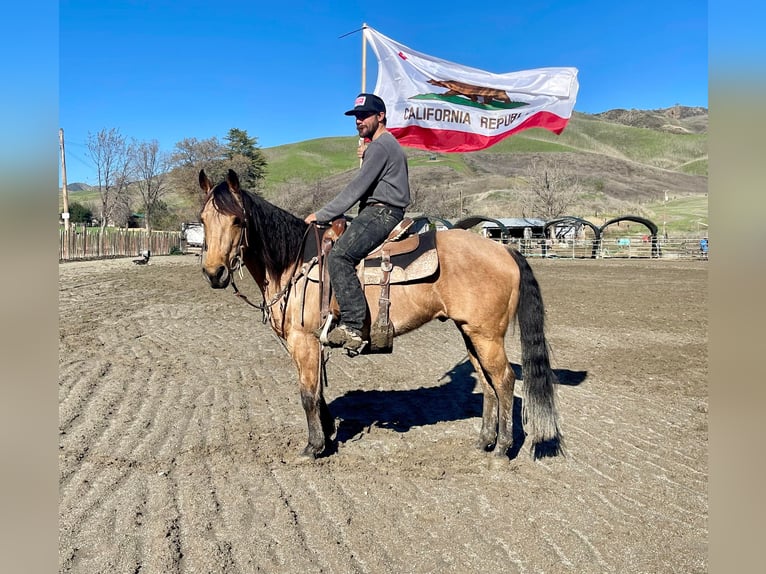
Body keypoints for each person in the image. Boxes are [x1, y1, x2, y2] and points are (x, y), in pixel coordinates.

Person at [304, 93, 411, 352]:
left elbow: (356, 190)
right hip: (378, 210)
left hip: (381, 213)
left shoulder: (381, 146)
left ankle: (353, 324)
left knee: (339, 257)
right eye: (356, 117)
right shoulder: (382, 145)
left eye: (364, 116)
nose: (358, 121)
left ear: (380, 116)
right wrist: (367, 151)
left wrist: (322, 214)